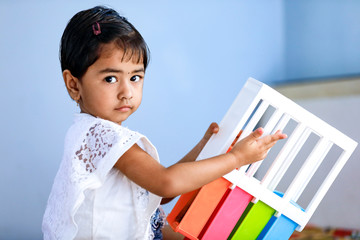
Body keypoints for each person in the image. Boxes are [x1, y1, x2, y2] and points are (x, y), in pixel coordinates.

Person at [42, 5, 287, 240]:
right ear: (74, 85)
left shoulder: (90, 133)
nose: (127, 91)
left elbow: (155, 194)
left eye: (135, 77)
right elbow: (166, 183)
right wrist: (237, 158)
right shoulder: (103, 136)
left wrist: (203, 147)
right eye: (110, 79)